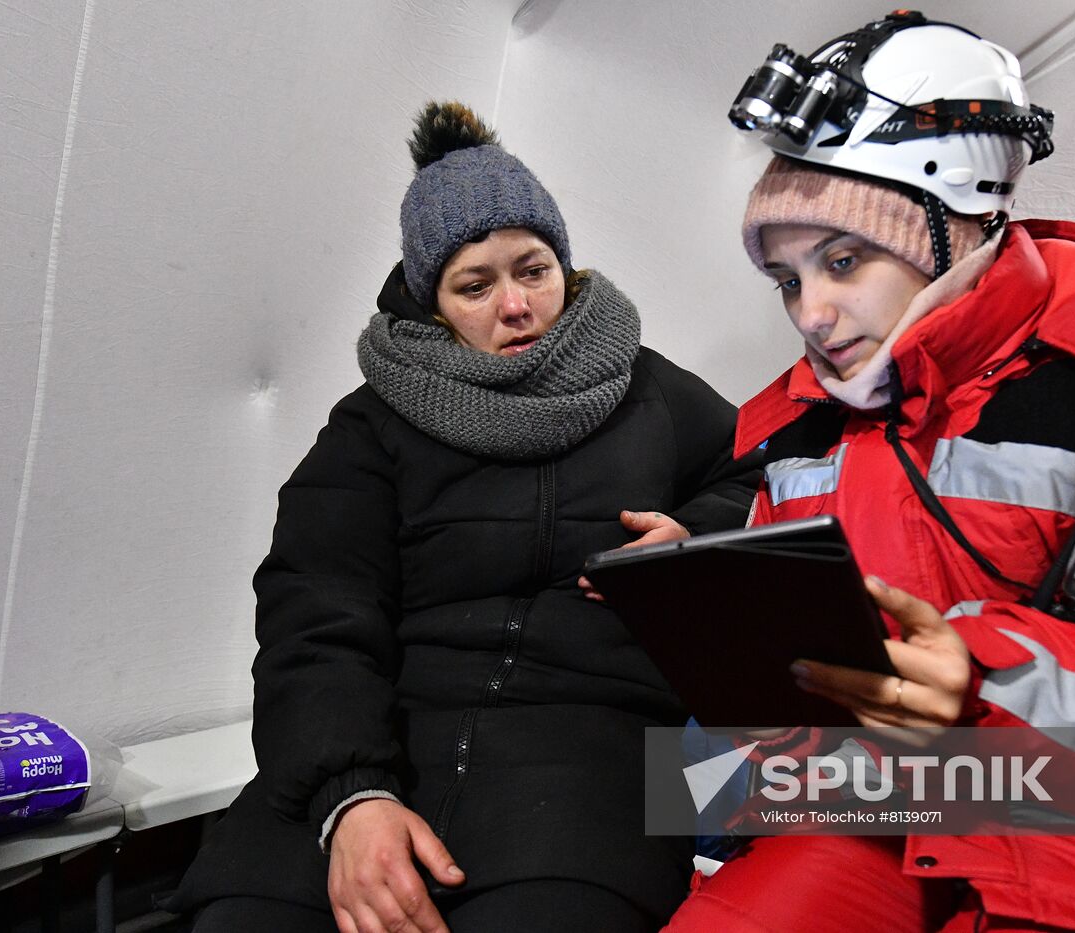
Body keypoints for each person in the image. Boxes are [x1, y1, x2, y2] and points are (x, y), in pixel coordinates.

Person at [666, 10, 1075, 931]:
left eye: (844, 260)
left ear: (952, 225)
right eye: (791, 278)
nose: (814, 312)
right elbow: (798, 734)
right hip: (887, 817)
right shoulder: (801, 438)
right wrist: (751, 712)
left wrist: (986, 683)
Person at [167, 101, 760, 933]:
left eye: (535, 269)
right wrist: (352, 799)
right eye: (475, 286)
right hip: (385, 736)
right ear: (432, 301)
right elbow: (316, 616)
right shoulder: (370, 428)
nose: (516, 305)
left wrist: (698, 534)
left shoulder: (652, 393)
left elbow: (772, 475)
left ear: (566, 264)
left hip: (585, 763)